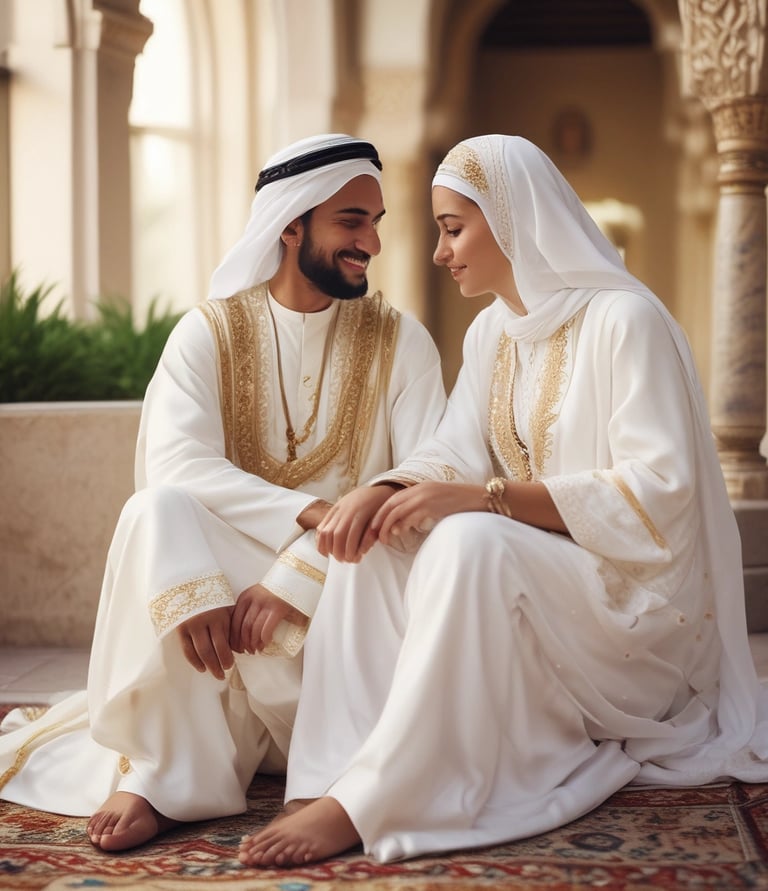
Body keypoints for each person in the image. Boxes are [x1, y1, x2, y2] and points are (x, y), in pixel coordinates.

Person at [237, 134, 768, 868]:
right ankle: (333, 769)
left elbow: (660, 494)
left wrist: (488, 499)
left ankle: (382, 796)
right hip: (548, 584)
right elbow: (451, 450)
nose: (438, 252)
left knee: (468, 539)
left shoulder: (624, 322)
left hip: (635, 615)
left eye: (454, 228)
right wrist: (384, 489)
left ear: (515, 218)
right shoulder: (493, 332)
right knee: (376, 537)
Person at [0, 133, 447, 852]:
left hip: (333, 630)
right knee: (156, 510)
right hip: (221, 630)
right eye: (353, 221)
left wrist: (296, 577)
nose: (372, 242)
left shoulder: (403, 342)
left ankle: (271, 757)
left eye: (375, 222)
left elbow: (425, 475)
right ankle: (172, 769)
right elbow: (174, 462)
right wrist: (308, 511)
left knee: (392, 522)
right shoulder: (206, 334)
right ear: (291, 222)